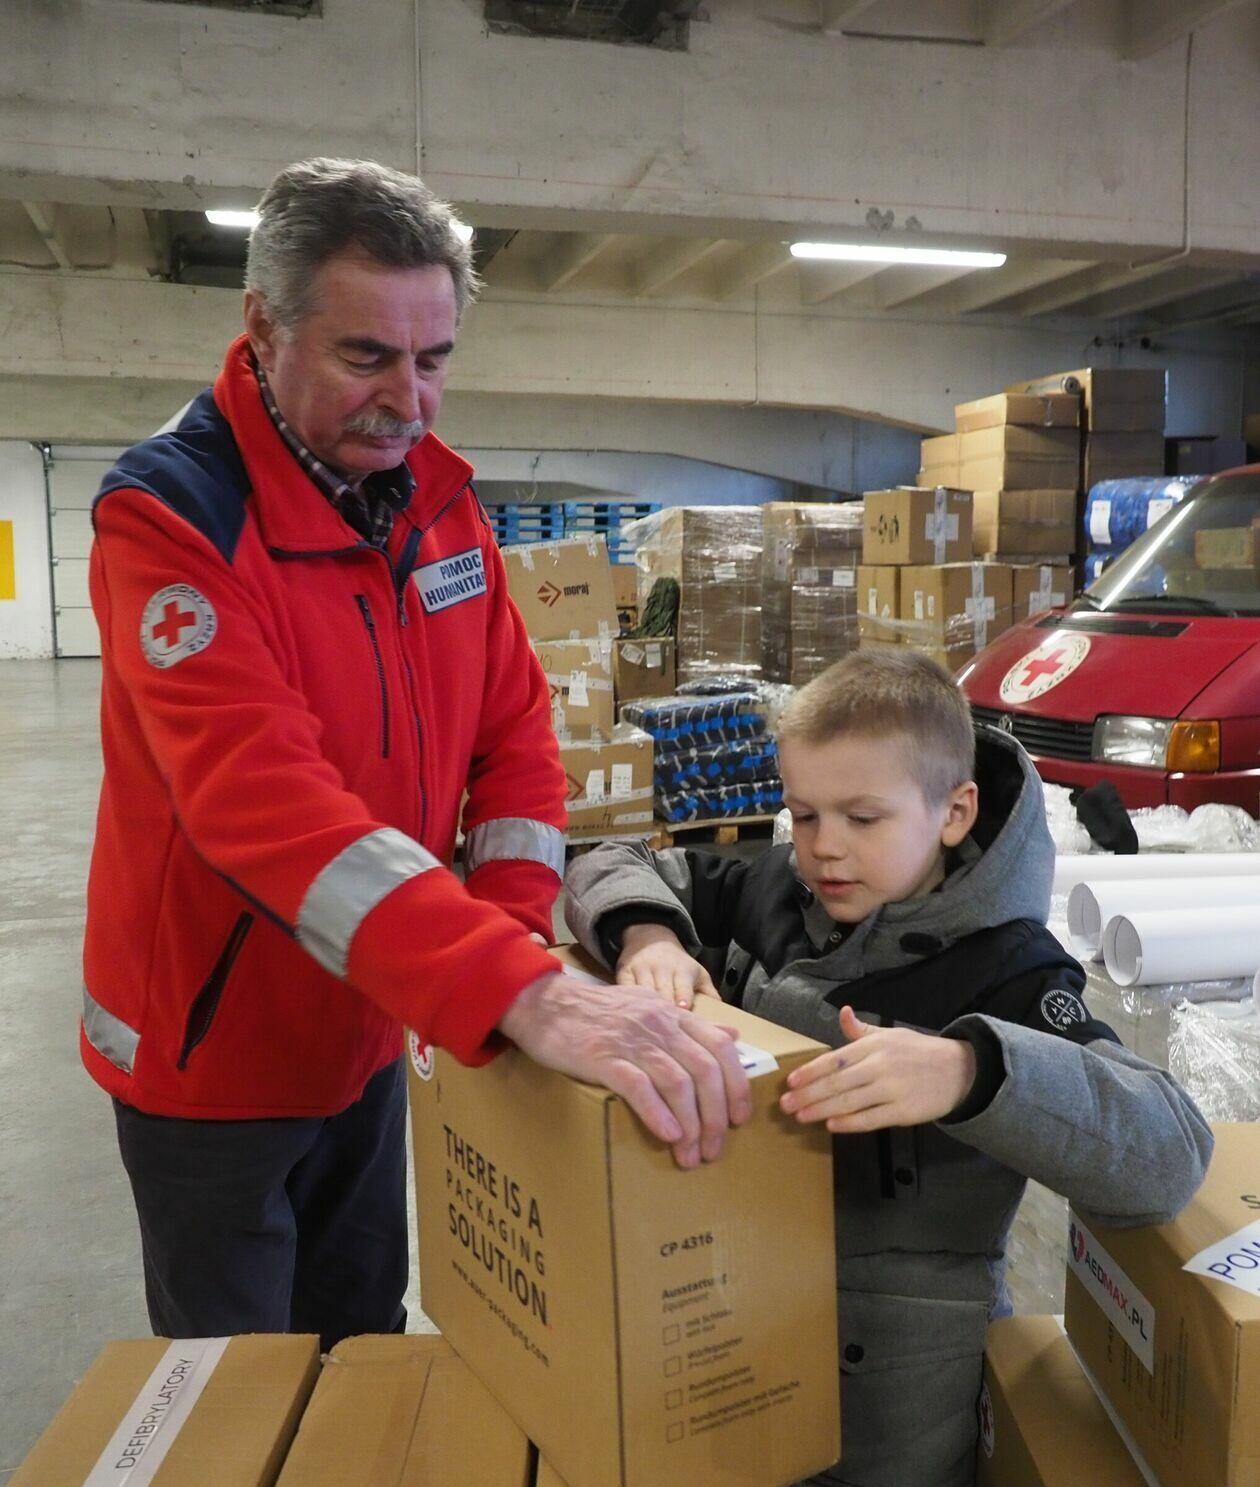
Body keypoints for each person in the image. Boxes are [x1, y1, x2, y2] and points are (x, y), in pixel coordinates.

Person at [82, 157, 749, 1351]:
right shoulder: (174, 518)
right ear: (263, 326)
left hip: (379, 1017)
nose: (409, 402)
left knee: (365, 1343)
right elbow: (260, 802)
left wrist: (504, 938)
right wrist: (515, 988)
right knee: (241, 1382)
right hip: (214, 1054)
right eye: (367, 357)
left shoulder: (437, 505)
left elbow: (515, 737)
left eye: (433, 359)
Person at [564, 649, 1212, 1487]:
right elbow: (606, 861)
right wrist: (647, 933)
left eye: (862, 818)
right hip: (720, 1354)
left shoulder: (1011, 971)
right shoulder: (774, 890)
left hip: (896, 1427)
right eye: (803, 814)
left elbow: (1168, 1153)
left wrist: (970, 1071)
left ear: (954, 811)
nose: (824, 849)